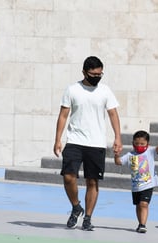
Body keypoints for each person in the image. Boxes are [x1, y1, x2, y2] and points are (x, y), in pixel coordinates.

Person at [53, 56, 122, 231]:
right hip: (75, 141)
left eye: (100, 74)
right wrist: (57, 139)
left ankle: (88, 218)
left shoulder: (105, 91)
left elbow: (113, 114)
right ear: (84, 72)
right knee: (69, 177)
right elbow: (63, 115)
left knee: (92, 182)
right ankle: (76, 207)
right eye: (93, 74)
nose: (97, 77)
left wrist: (118, 137)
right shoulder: (72, 90)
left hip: (96, 143)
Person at [114, 130, 158, 233]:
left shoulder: (149, 151)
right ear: (133, 143)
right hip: (136, 185)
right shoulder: (130, 155)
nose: (139, 146)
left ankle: (143, 224)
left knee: (144, 204)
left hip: (148, 184)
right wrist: (116, 155)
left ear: (147, 144)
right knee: (138, 205)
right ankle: (140, 222)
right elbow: (118, 162)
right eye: (136, 143)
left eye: (142, 144)